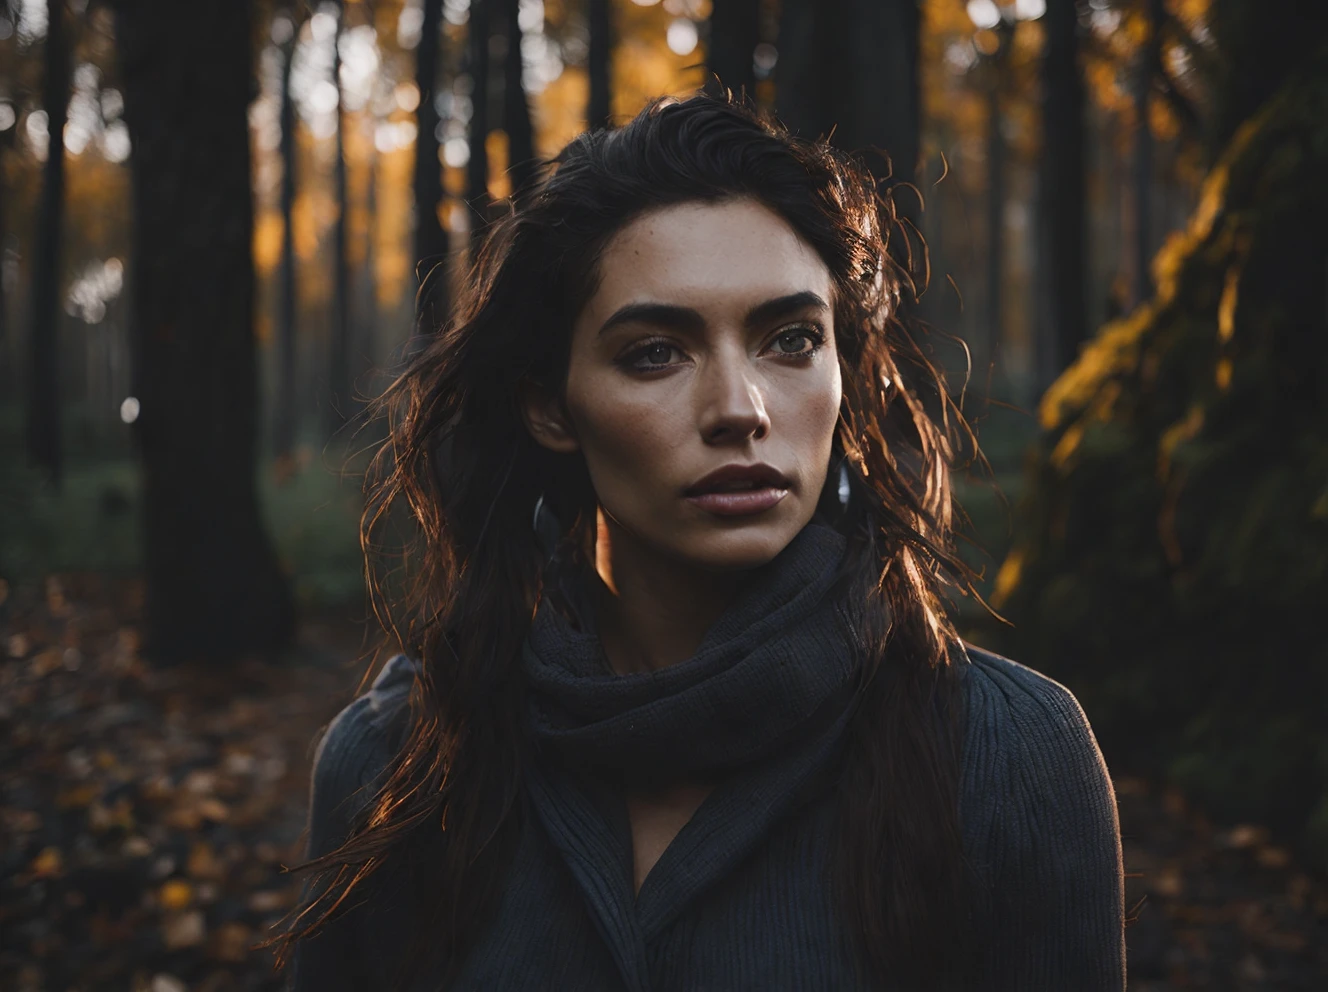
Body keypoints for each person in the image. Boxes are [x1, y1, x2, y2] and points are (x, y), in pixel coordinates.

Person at [277, 95, 1125, 991]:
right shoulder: (396, 763)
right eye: (656, 353)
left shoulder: (1008, 756)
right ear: (549, 405)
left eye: (792, 340)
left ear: (844, 371)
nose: (740, 410)